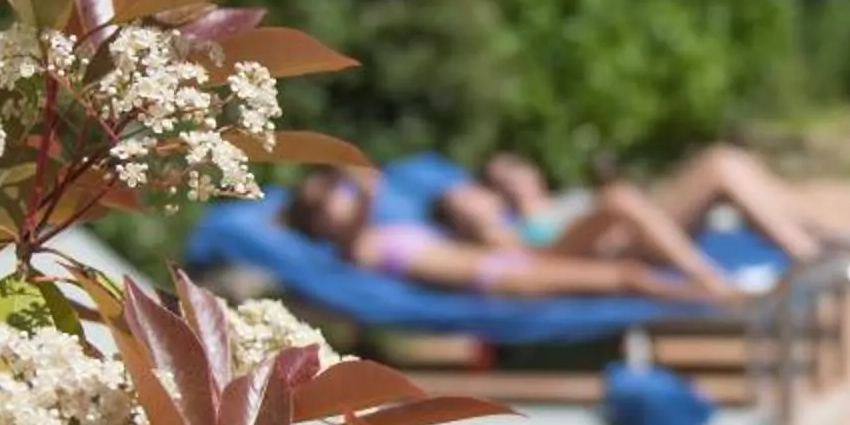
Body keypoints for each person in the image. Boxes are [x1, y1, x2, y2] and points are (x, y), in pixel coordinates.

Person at [282, 169, 732, 303]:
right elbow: (367, 185)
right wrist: (347, 176)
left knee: (627, 273)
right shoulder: (356, 249)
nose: (341, 201)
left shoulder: (383, 230)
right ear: (321, 225)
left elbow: (365, 187)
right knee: (626, 276)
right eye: (328, 203)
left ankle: (715, 294)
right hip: (499, 279)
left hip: (502, 262)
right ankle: (721, 300)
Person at [478, 141, 826, 264]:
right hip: (619, 246)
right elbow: (528, 259)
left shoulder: (561, 199)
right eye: (502, 179)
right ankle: (808, 254)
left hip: (637, 229)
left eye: (516, 169)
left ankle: (828, 239)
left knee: (733, 162)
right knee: (719, 166)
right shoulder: (519, 226)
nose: (515, 180)